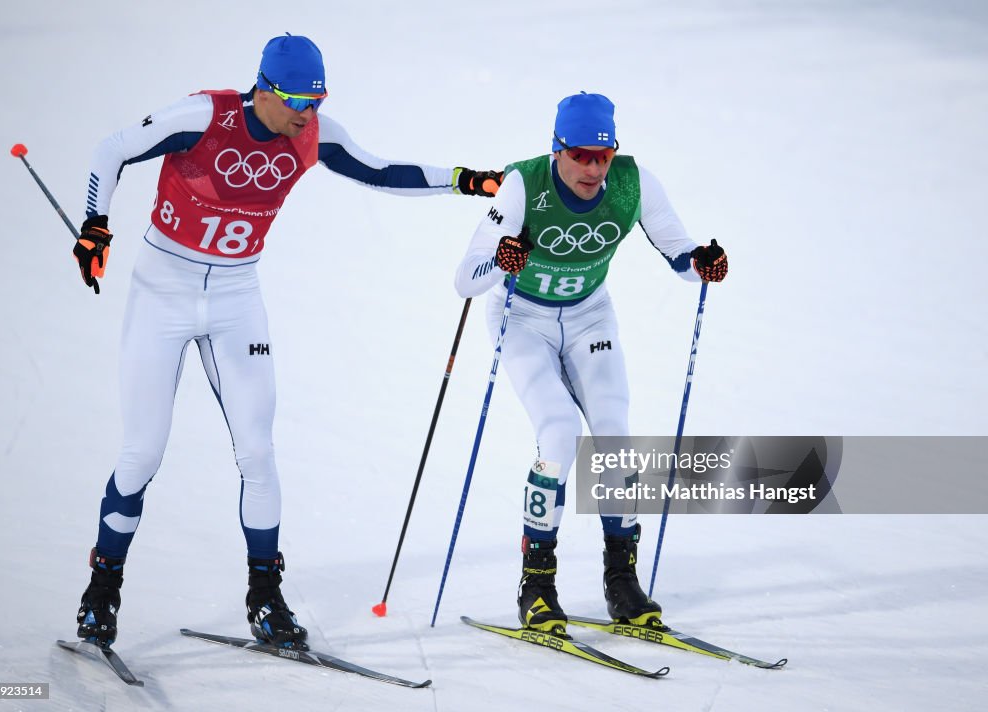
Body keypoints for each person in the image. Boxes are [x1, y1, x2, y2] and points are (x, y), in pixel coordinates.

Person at [72, 33, 501, 650]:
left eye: (318, 99)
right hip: (162, 292)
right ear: (264, 89)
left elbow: (381, 171)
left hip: (235, 298)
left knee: (258, 452)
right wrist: (96, 224)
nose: (308, 112)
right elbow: (112, 149)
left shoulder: (312, 134)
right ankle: (101, 591)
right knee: (142, 453)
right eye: (297, 98)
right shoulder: (205, 116)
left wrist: (467, 181)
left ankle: (265, 598)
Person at [453, 92, 727, 636]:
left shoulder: (634, 183)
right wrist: (503, 260)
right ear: (558, 150)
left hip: (589, 318)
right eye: (581, 155)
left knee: (614, 435)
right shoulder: (521, 185)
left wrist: (704, 264)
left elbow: (680, 252)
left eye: (603, 156)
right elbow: (466, 280)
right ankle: (537, 586)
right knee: (558, 433)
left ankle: (621, 581)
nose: (593, 168)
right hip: (523, 318)